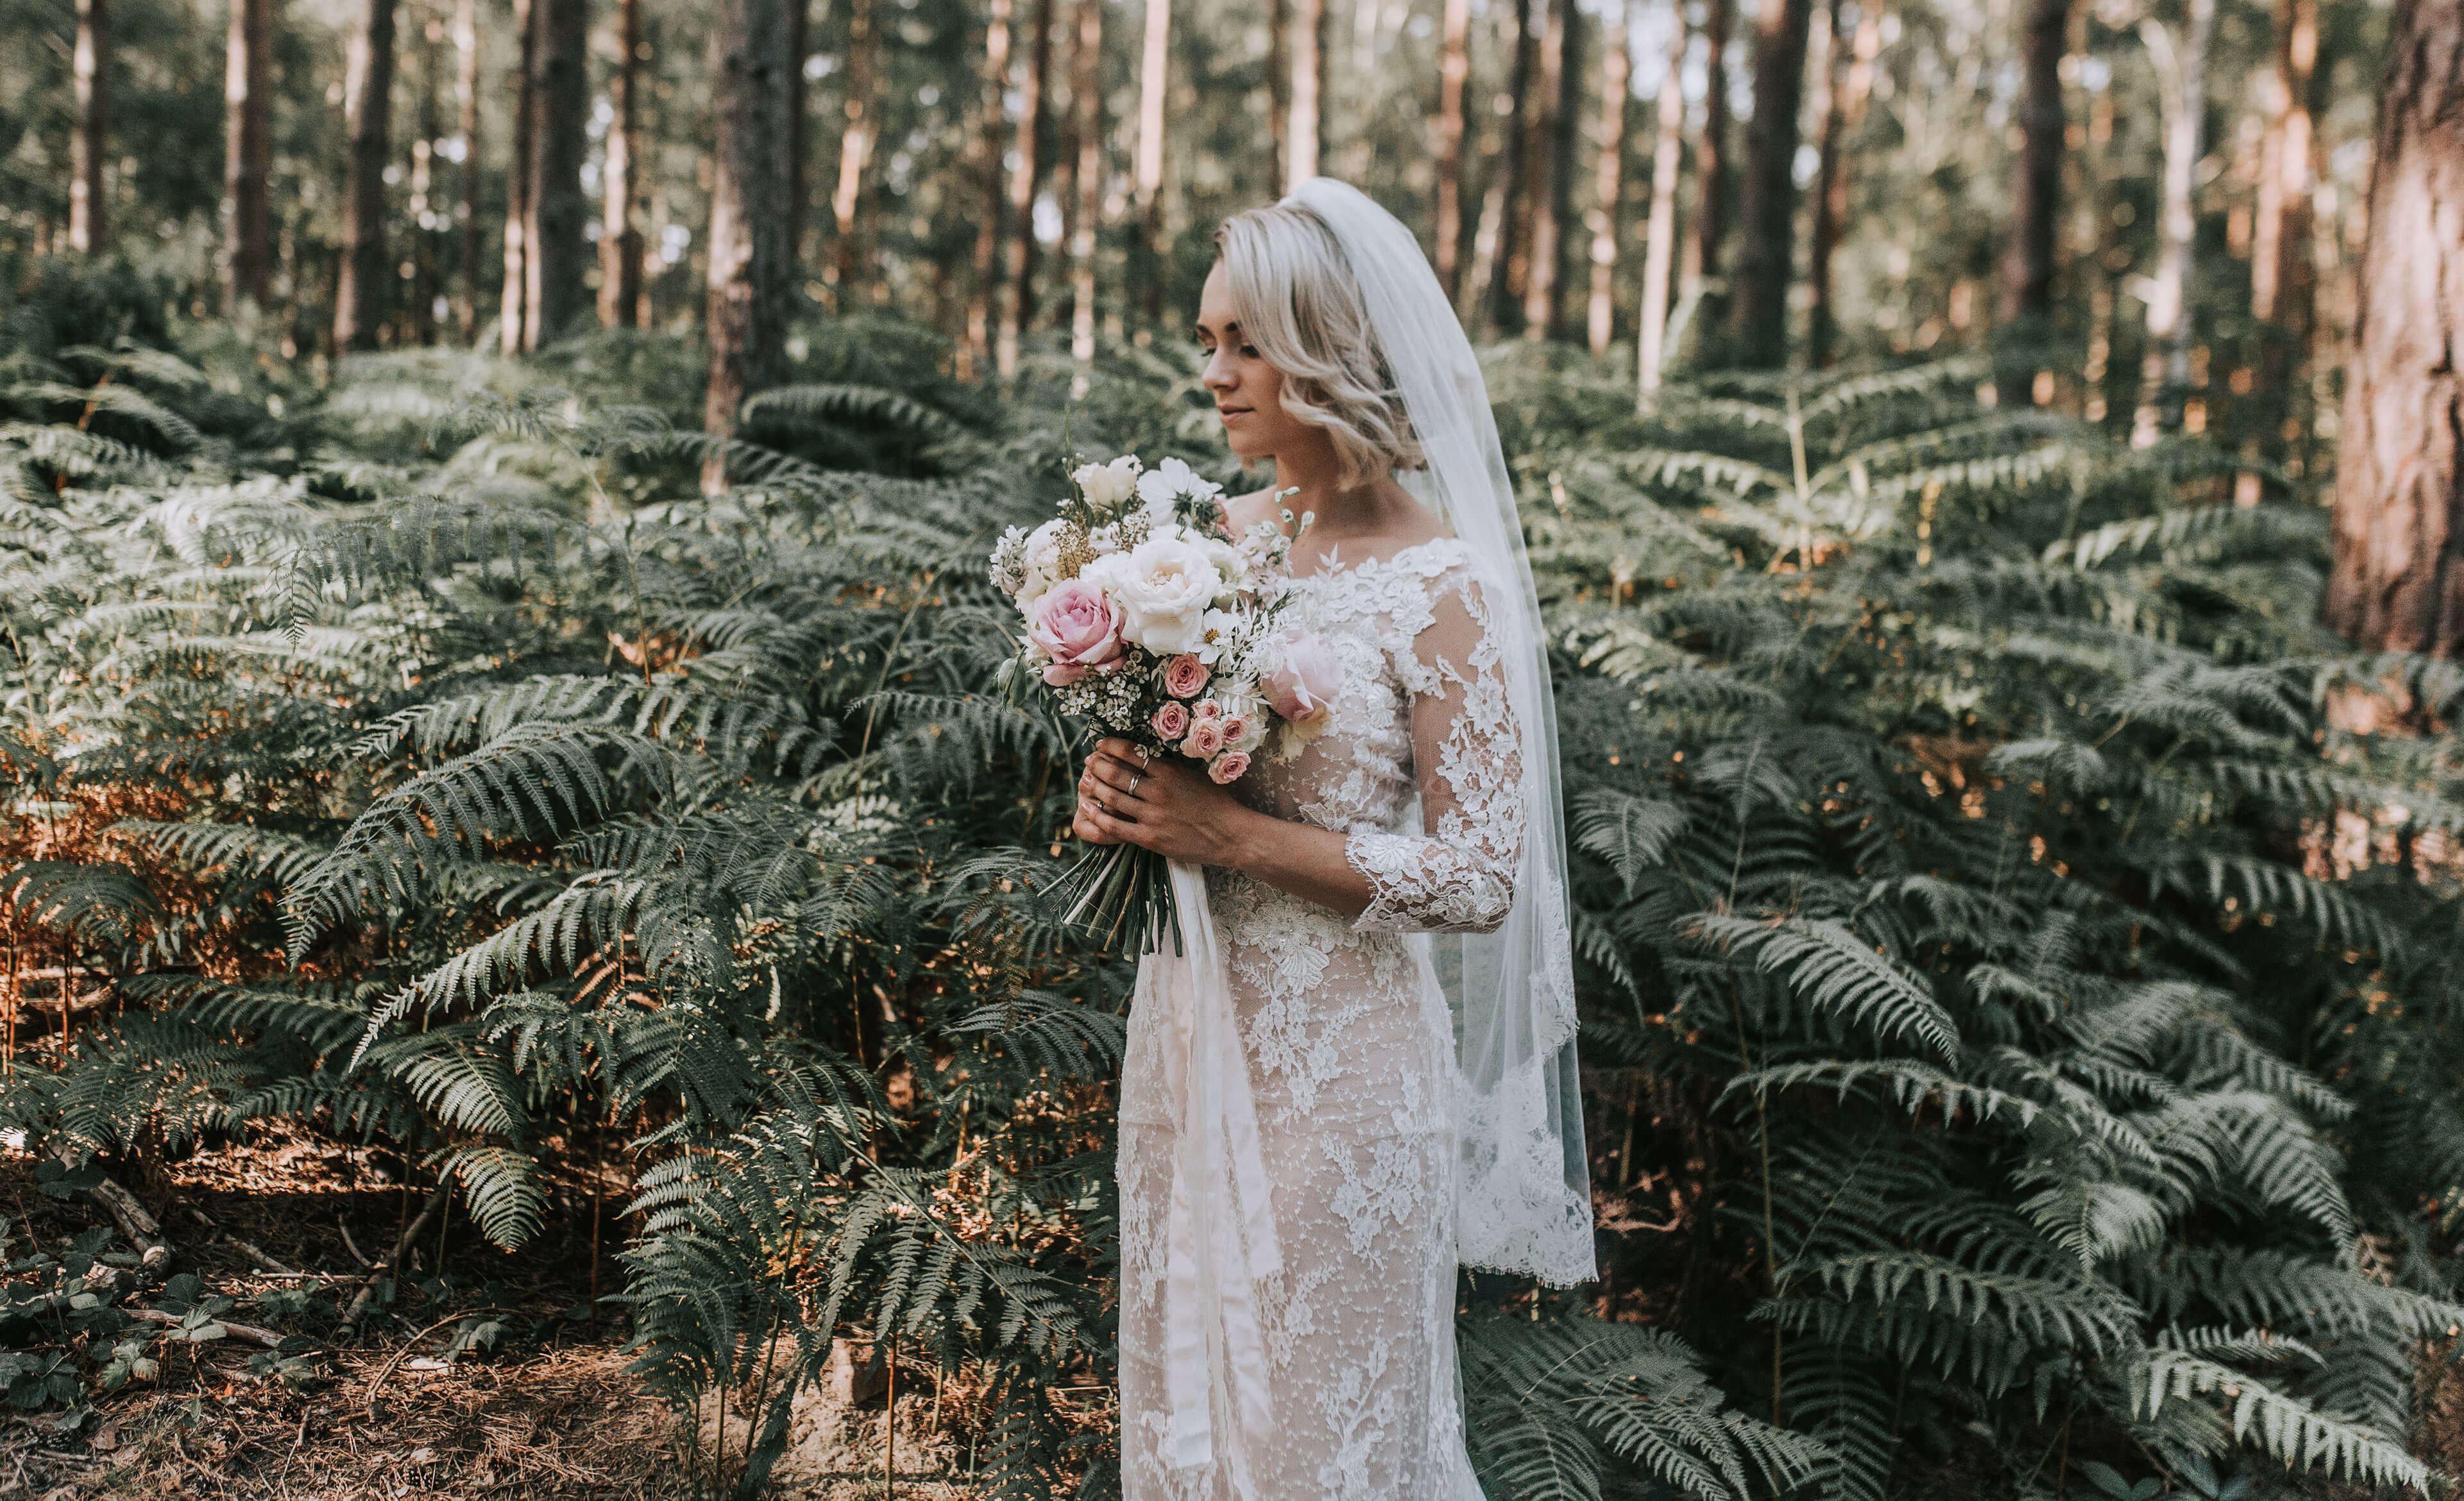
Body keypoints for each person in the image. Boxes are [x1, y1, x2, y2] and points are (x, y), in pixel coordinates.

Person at [1071, 178, 1595, 1499]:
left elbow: (1480, 876)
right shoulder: (1194, 557)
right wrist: (1117, 799)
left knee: (1318, 1440)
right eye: (1208, 342)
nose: (1215, 375)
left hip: (1346, 1080)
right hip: (1190, 1036)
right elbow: (1163, 774)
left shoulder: (1442, 586)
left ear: (1327, 353)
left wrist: (1225, 836)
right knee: (1190, 1411)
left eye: (1245, 343)